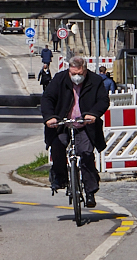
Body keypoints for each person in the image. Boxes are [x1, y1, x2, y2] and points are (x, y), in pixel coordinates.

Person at [41, 55, 109, 209]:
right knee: (57, 147)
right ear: (69, 71)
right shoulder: (59, 79)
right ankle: (60, 178)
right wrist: (50, 117)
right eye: (73, 74)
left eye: (79, 74)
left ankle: (90, 191)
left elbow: (103, 100)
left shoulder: (96, 81)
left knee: (85, 153)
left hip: (85, 124)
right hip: (62, 122)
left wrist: (93, 114)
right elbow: (47, 99)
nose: (76, 77)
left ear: (85, 70)